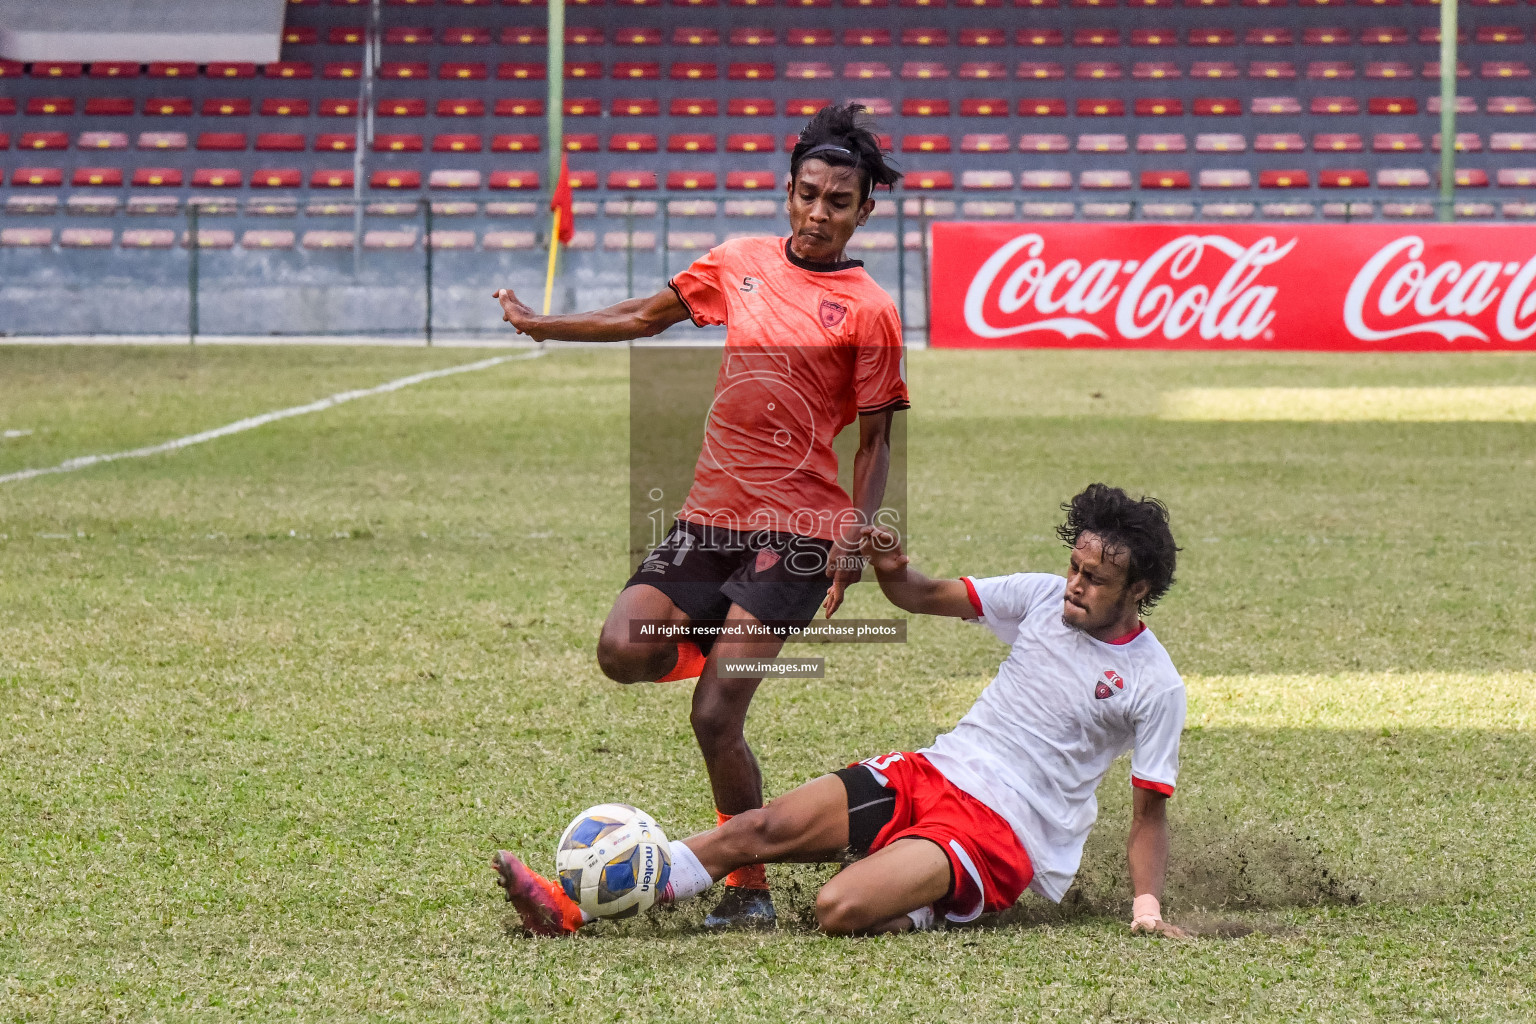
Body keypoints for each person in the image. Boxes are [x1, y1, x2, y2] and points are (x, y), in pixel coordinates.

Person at [491, 104, 909, 928]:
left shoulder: (870, 310)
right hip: (709, 519)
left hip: (797, 533)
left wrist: (853, 538)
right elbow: (645, 317)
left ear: (865, 210)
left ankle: (746, 889)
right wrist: (546, 327)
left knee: (716, 716)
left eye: (839, 201)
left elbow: (875, 440)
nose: (819, 214)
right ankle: (726, 645)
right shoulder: (738, 261)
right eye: (809, 195)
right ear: (788, 192)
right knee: (621, 648)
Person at [492, 484, 1192, 938]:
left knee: (838, 908)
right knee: (757, 827)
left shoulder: (1154, 685)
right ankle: (567, 905)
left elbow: (1148, 812)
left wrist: (1146, 910)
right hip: (931, 771)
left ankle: (913, 896)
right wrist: (890, 564)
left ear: (1141, 589)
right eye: (1074, 566)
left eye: (1094, 579)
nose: (1074, 585)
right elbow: (923, 594)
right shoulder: (1041, 596)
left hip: (1003, 832)